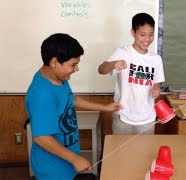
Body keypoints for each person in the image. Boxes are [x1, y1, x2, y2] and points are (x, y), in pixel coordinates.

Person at [25, 33, 121, 179]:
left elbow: (71, 99)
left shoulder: (59, 78)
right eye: (73, 64)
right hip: (52, 171)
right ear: (54, 62)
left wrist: (105, 107)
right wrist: (75, 159)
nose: (76, 69)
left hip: (65, 165)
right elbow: (42, 138)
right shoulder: (41, 93)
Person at [98, 12, 165, 135]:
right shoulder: (123, 53)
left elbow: (157, 81)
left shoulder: (156, 59)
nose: (147, 39)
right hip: (123, 115)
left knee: (144, 153)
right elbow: (101, 70)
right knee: (122, 152)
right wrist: (113, 64)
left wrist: (156, 88)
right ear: (133, 33)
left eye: (151, 35)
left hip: (147, 117)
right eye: (142, 34)